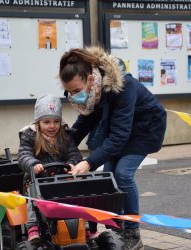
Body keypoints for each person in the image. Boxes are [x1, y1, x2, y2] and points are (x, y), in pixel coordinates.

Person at [58, 46, 167, 250]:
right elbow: (85, 122)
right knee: (109, 177)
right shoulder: (95, 91)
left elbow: (119, 137)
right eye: (68, 92)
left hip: (144, 130)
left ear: (90, 79)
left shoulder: (122, 87)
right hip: (121, 129)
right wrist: (60, 145)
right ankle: (116, 228)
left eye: (76, 91)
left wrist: (88, 162)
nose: (72, 96)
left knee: (122, 174)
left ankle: (133, 233)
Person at [18, 94, 83, 242]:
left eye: (56, 121)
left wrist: (72, 163)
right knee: (33, 197)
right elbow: (23, 156)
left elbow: (74, 153)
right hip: (38, 179)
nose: (52, 126)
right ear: (38, 122)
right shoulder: (29, 136)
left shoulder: (65, 135)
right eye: (46, 122)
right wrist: (33, 164)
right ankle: (33, 226)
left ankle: (83, 225)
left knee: (78, 192)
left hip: (61, 178)